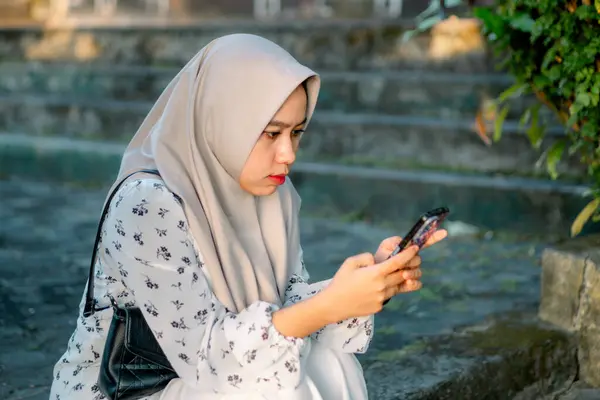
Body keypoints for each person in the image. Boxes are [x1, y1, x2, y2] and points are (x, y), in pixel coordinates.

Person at [49, 33, 447, 400]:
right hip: (137, 389)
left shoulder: (272, 193)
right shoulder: (149, 203)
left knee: (329, 360)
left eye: (296, 133)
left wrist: (366, 284)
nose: (288, 154)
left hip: (218, 369)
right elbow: (207, 360)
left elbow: (285, 303)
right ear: (220, 121)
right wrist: (329, 305)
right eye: (271, 133)